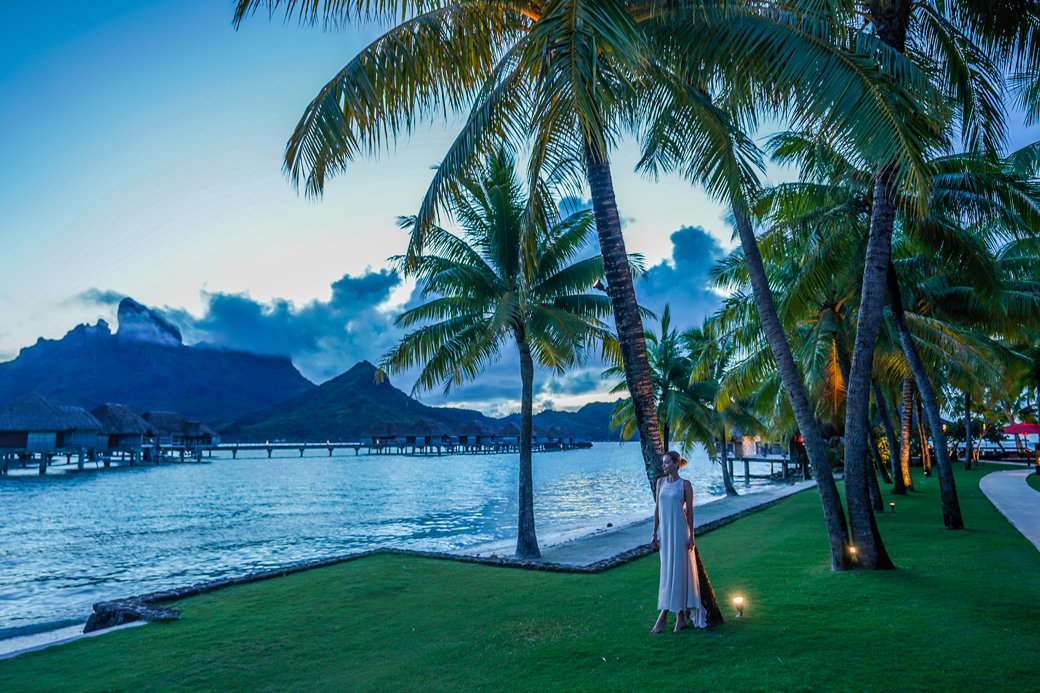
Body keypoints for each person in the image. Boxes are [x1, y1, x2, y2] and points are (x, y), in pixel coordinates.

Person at [650, 450, 707, 633]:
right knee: (668, 573)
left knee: (680, 573)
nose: (663, 466)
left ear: (676, 463)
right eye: (663, 463)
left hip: (681, 532)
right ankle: (679, 618)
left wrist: (692, 536)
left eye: (667, 462)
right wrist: (654, 533)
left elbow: (690, 511)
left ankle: (665, 616)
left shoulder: (685, 485)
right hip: (665, 534)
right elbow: (657, 509)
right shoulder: (660, 483)